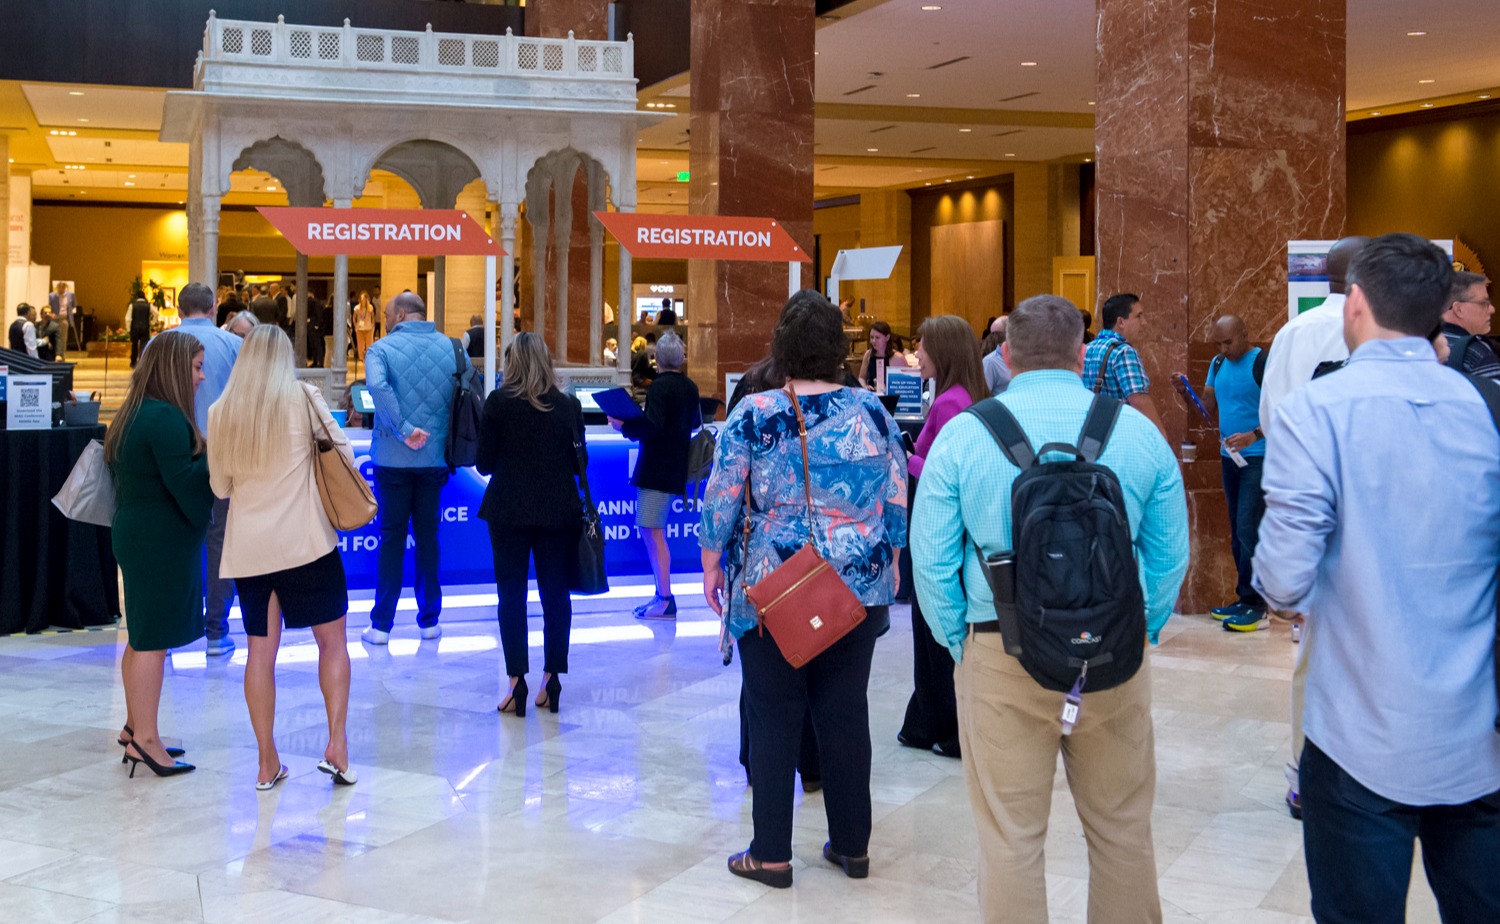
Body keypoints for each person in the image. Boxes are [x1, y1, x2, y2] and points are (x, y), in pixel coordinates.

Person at [912, 294, 1189, 923]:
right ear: (1083, 355)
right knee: (1121, 832)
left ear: (1006, 355)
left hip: (1000, 652)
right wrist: (1139, 628)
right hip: (1113, 662)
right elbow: (1171, 554)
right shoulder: (1138, 433)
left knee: (1010, 839)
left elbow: (929, 562)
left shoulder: (964, 435)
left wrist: (965, 645)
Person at [1253, 233, 1500, 923]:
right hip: (1474, 732)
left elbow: (1282, 577)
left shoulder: (1317, 410)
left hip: (1359, 731)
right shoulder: (1481, 408)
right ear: (1441, 314)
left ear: (1354, 303)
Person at [700, 290, 908, 889]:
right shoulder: (872, 410)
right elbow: (895, 492)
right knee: (845, 715)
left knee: (773, 714)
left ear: (782, 347)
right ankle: (852, 846)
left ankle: (770, 854)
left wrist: (712, 563)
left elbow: (723, 496)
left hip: (775, 587)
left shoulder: (756, 412)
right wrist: (889, 558)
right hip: (857, 584)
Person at [208, 326, 356, 790]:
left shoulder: (220, 411)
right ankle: (337, 745)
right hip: (307, 543)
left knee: (260, 654)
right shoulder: (304, 398)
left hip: (252, 552)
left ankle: (266, 762)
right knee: (332, 644)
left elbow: (220, 488)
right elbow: (344, 452)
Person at [1255, 234, 1369, 821]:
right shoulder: (1397, 336)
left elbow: (1272, 418)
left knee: (1311, 650)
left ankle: (1307, 775)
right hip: (1371, 509)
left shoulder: (1293, 334)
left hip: (1309, 506)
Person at [105, 330, 214, 778]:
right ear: (173, 368)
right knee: (153, 642)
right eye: (195, 367)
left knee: (142, 636)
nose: (201, 377)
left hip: (138, 534)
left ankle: (136, 728)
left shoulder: (135, 414)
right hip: (159, 543)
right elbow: (188, 486)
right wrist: (215, 454)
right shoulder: (165, 419)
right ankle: (147, 741)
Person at [475, 332, 584, 717]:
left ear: (512, 364)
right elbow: (579, 464)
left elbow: (483, 464)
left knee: (512, 597)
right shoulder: (567, 406)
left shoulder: (499, 403)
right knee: (556, 596)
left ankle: (515, 683)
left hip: (508, 512)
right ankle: (551, 679)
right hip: (558, 512)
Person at [898, 315, 986, 761]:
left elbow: (939, 472)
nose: (919, 353)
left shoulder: (950, 403)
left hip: (937, 528)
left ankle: (941, 724)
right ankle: (927, 722)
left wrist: (903, 456)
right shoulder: (962, 397)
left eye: (925, 345)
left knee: (929, 628)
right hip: (949, 528)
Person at [361, 292, 466, 645]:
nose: (385, 319)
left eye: (387, 314)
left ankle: (381, 625)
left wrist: (404, 431)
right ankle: (430, 621)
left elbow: (376, 385)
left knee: (391, 539)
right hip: (435, 457)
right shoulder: (453, 348)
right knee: (428, 538)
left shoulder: (381, 350)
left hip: (392, 458)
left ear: (402, 314)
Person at [1171, 314, 1269, 632]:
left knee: (1248, 529)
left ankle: (1258, 605)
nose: (1224, 349)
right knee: (1237, 533)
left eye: (1229, 342)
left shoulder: (1262, 362)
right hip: (1229, 459)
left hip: (1258, 458)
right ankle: (1244, 598)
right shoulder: (1217, 364)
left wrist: (1253, 434)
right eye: (1219, 343)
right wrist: (1185, 394)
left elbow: (1283, 408)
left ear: (1244, 335)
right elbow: (1206, 408)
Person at [169, 282, 244, 657]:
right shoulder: (234, 345)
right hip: (222, 456)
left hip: (171, 454)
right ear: (214, 307)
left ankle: (164, 634)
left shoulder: (159, 344)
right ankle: (216, 631)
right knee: (219, 543)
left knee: (171, 542)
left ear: (178, 308)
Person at [609, 331, 699, 619]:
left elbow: (654, 427)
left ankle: (665, 597)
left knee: (652, 531)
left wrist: (624, 426)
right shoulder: (690, 386)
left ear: (656, 359)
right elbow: (694, 421)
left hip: (656, 469)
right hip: (675, 467)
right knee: (653, 530)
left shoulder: (661, 388)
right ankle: (662, 594)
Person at [1082, 293, 1166, 435]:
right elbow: (1139, 400)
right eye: (1138, 316)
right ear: (1120, 322)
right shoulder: (1123, 352)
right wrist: (1161, 437)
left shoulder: (1086, 349)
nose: (1144, 322)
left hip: (1091, 437)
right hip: (1120, 436)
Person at [1439, 270, 1499, 377]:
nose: (1492, 309)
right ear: (1459, 310)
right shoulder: (1475, 353)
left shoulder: (1420, 345)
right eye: (1483, 303)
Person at [858, 320, 908, 391]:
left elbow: (906, 383)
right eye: (872, 337)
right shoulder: (868, 354)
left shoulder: (898, 358)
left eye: (877, 338)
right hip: (872, 395)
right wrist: (865, 387)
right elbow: (861, 378)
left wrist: (888, 388)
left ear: (887, 338)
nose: (874, 341)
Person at [124, 290, 156, 367]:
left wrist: (128, 329)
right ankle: (143, 362)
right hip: (145, 327)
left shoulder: (132, 305)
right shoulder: (148, 305)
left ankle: (133, 362)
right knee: (144, 345)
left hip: (135, 328)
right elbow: (156, 313)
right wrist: (153, 322)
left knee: (134, 345)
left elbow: (127, 318)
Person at [982, 315, 1012, 395]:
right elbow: (984, 395)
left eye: (998, 334)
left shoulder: (1024, 357)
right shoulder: (989, 362)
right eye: (992, 334)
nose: (993, 339)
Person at [48, 282, 75, 359]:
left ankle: (62, 354)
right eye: (59, 286)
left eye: (63, 287)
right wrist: (51, 314)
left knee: (64, 338)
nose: (61, 288)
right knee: (54, 336)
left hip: (64, 318)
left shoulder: (70, 295)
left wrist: (68, 312)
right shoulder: (52, 296)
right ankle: (54, 354)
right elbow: (48, 306)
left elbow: (74, 304)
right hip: (54, 319)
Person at [353, 290, 376, 364]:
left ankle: (369, 357)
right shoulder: (357, 308)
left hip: (368, 328)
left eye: (364, 298)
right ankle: (361, 358)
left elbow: (373, 317)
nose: (363, 300)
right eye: (361, 298)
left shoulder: (370, 307)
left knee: (369, 343)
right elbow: (354, 317)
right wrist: (355, 325)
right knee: (360, 344)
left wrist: (373, 325)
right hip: (360, 328)